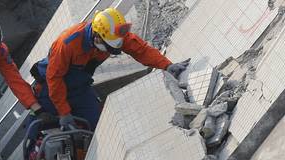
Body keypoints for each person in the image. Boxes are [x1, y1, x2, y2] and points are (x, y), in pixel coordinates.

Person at [33, 7, 189, 130]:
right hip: (50, 89)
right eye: (107, 48)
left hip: (80, 89)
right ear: (97, 36)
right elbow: (54, 78)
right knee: (46, 128)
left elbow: (139, 49)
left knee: (97, 124)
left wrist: (167, 65)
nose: (108, 51)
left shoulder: (114, 35)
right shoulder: (67, 43)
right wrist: (64, 112)